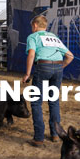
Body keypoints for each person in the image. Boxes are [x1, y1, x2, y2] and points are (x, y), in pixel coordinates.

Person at [21, 15, 73, 146]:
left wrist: (27, 73)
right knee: (54, 101)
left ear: (35, 25)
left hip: (42, 66)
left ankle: (39, 138)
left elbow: (32, 54)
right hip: (58, 68)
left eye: (32, 26)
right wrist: (60, 67)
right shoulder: (54, 37)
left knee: (36, 102)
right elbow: (70, 56)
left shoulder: (33, 37)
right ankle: (55, 134)